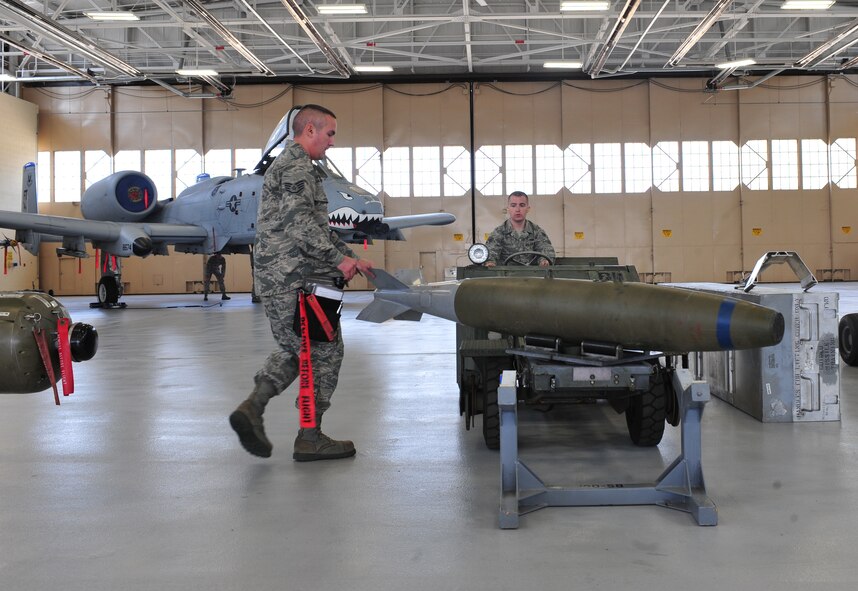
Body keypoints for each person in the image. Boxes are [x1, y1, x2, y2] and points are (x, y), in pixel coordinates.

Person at [229, 104, 374, 461]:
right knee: (325, 352)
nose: (332, 142)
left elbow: (319, 227)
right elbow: (300, 226)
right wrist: (339, 261)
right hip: (294, 280)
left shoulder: (299, 167)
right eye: (330, 134)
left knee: (297, 350)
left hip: (289, 278)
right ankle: (310, 437)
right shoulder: (296, 168)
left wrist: (351, 258)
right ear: (310, 130)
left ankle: (253, 408)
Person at [485, 191, 555, 267]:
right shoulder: (499, 232)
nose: (517, 209)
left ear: (528, 209)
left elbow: (546, 250)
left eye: (522, 205)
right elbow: (490, 252)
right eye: (513, 205)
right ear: (508, 208)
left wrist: (544, 261)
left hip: (532, 273)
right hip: (506, 273)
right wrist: (490, 262)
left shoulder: (537, 231)